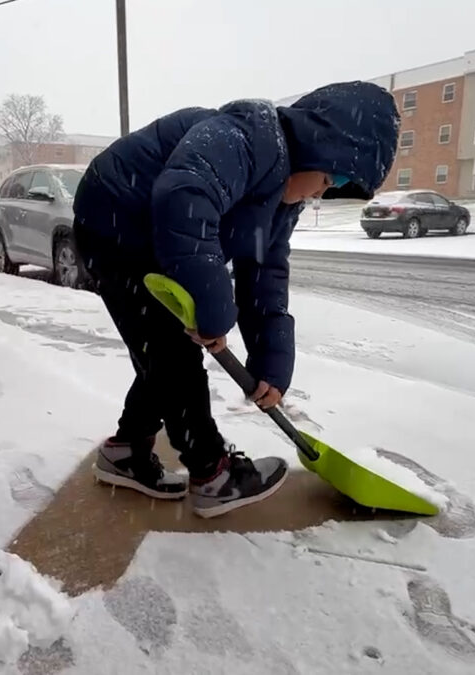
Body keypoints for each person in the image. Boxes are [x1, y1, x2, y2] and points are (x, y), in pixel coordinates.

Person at [72, 81, 400, 518]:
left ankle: (127, 449)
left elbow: (265, 276)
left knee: (162, 351)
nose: (322, 192)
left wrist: (271, 365)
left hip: (148, 237)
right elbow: (185, 197)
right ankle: (213, 474)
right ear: (320, 147)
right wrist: (214, 310)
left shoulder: (280, 203)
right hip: (114, 223)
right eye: (329, 178)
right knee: (172, 351)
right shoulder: (248, 134)